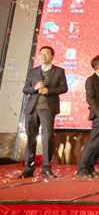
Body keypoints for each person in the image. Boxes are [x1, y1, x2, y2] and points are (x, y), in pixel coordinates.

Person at [20, 46, 68, 178]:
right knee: (31, 138)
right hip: (32, 109)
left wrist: (49, 91)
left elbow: (64, 88)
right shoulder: (33, 71)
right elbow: (25, 89)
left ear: (52, 56)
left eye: (46, 54)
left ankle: (46, 168)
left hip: (47, 108)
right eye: (41, 54)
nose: (43, 56)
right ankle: (28, 168)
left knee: (47, 138)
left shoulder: (58, 71)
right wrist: (34, 88)